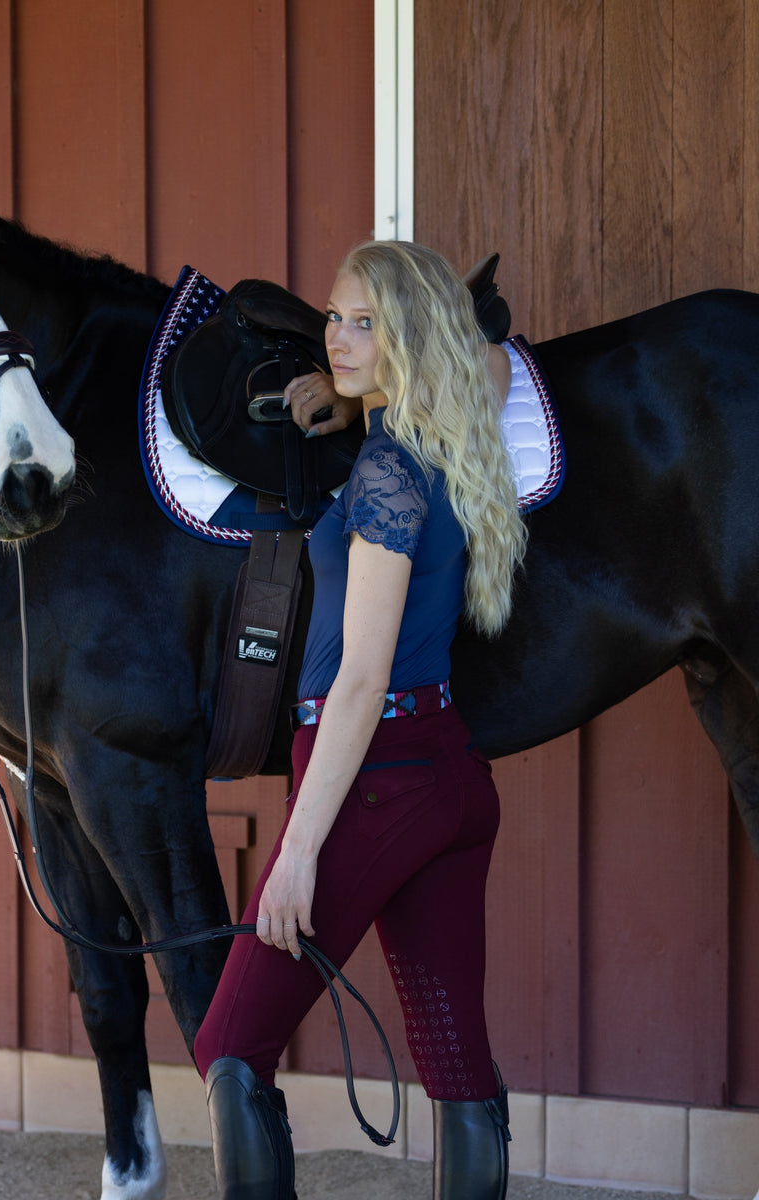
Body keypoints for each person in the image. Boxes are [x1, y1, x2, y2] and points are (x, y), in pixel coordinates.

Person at [193, 240, 527, 1200]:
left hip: (373, 777)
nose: (336, 338)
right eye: (335, 317)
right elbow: (493, 362)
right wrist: (355, 395)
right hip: (449, 778)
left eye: (365, 324)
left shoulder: (385, 470)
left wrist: (296, 850)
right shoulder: (451, 426)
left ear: (409, 336)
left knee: (234, 1049)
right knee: (457, 1063)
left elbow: (360, 677)